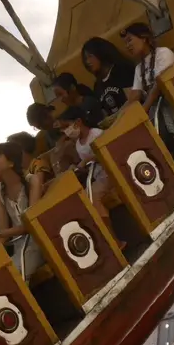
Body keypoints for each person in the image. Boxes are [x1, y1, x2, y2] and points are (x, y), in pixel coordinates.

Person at [121, 22, 174, 186]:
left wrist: (144, 110)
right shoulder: (139, 69)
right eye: (126, 43)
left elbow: (160, 84)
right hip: (157, 112)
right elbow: (134, 97)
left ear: (144, 38)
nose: (128, 46)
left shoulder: (163, 53)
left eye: (130, 40)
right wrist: (120, 119)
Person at [61, 102, 123, 247]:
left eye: (66, 126)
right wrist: (77, 168)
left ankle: (113, 240)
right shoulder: (78, 145)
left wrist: (88, 160)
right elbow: (88, 167)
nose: (66, 131)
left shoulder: (96, 134)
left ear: (78, 122)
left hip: (111, 173)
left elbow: (107, 151)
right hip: (99, 178)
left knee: (93, 197)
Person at [0, 142, 46, 279]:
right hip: (19, 248)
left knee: (9, 277)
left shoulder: (32, 181)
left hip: (38, 243)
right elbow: (3, 232)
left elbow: (31, 224)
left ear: (11, 163)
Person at [81, 37, 135, 117]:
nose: (88, 62)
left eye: (90, 56)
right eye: (85, 59)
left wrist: (117, 116)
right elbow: (105, 112)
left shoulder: (121, 70)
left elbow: (133, 100)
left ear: (100, 52)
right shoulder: (97, 86)